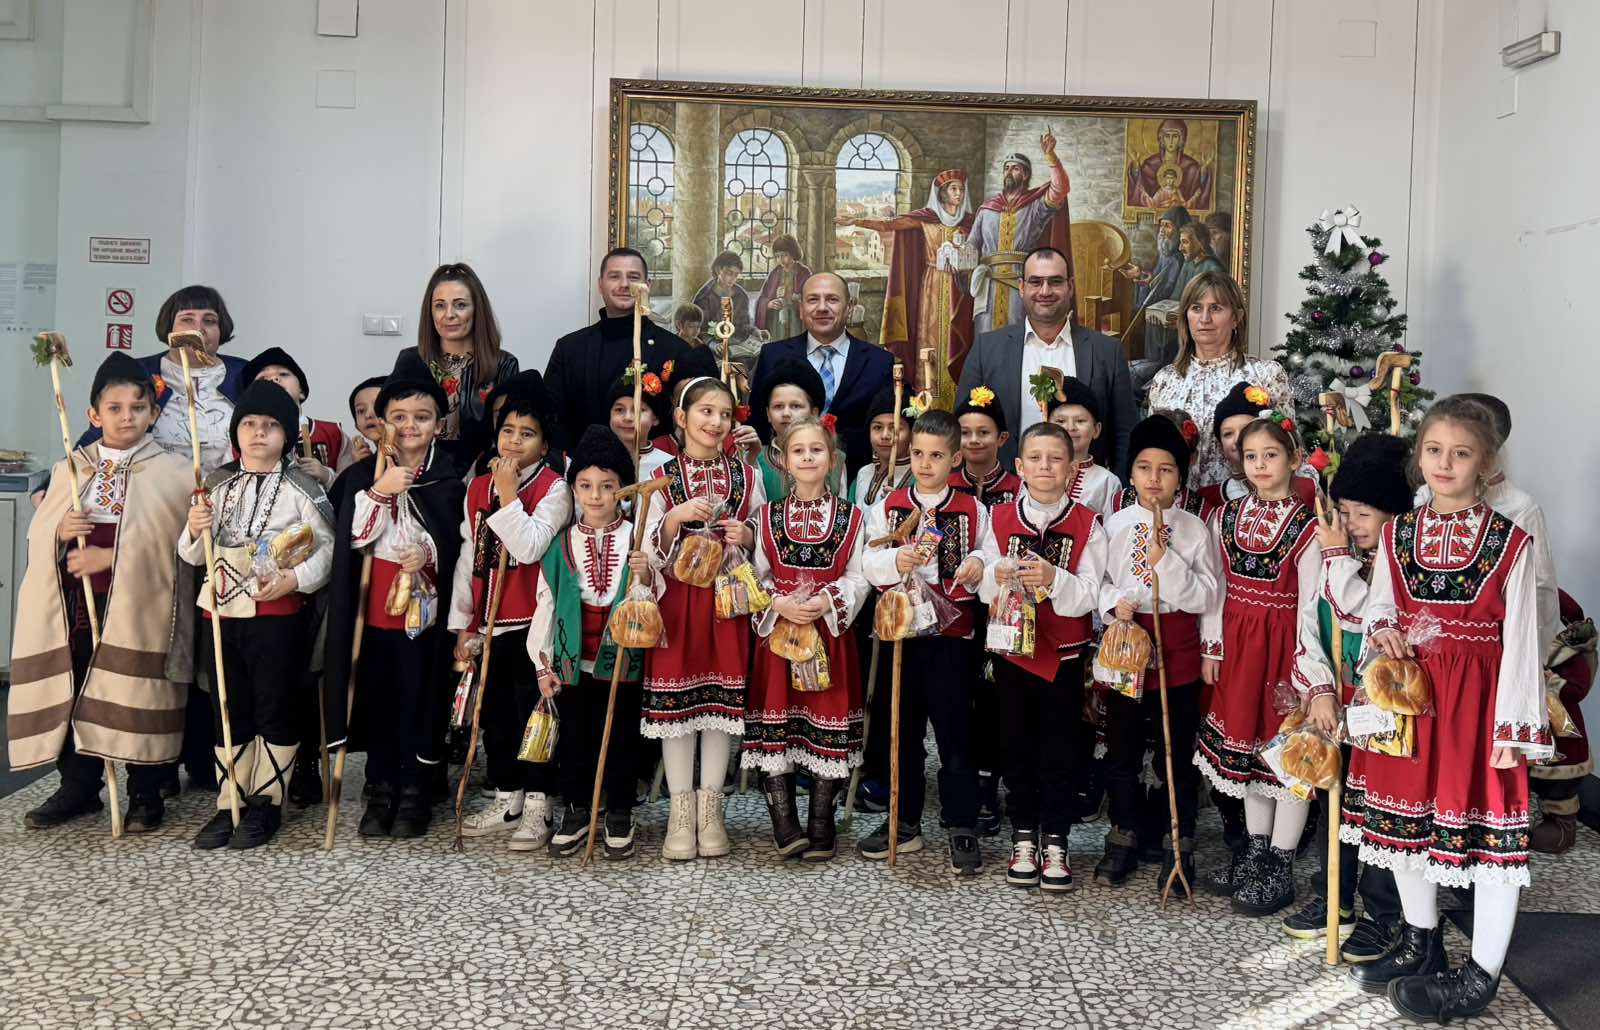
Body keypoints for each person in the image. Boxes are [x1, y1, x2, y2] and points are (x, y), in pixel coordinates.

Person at [1343, 398, 1548, 1023]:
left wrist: (1514, 727)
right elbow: (1381, 605)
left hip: (1479, 707)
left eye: (1461, 453)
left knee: (1490, 839)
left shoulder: (1511, 542)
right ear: (1419, 457)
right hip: (1411, 701)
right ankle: (1421, 940)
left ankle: (1481, 974)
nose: (1445, 463)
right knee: (1405, 827)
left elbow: (1523, 638)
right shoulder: (1399, 533)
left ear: (1485, 463)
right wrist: (1383, 629)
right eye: (1434, 450)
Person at [10, 354, 194, 832]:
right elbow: (40, 534)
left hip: (140, 603)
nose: (126, 417)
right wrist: (59, 531)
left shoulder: (175, 472)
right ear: (94, 414)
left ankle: (145, 791)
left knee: (135, 687)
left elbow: (177, 546)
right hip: (78, 601)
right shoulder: (72, 467)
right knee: (75, 686)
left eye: (138, 407)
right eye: (114, 408)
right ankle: (78, 786)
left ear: (154, 413)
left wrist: (112, 557)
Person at [180, 380, 336, 850]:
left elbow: (327, 548)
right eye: (249, 423)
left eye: (271, 425)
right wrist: (195, 528)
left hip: (276, 613)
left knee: (274, 704)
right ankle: (231, 800)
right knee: (227, 706)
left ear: (287, 435)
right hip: (221, 614)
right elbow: (191, 556)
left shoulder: (302, 488)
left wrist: (295, 578)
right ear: (236, 432)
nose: (259, 433)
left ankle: (267, 800)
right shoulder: (215, 485)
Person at [1279, 433, 1410, 960]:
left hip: (1381, 707)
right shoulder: (1328, 554)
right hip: (1335, 700)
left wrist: (1337, 556)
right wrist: (1318, 691)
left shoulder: (1398, 563)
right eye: (1346, 511)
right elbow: (1310, 625)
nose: (1351, 523)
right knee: (1332, 795)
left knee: (1376, 808)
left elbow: (1360, 612)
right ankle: (1335, 896)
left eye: (1363, 513)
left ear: (1392, 516)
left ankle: (1384, 911)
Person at [1194, 412, 1331, 915]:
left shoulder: (1308, 526)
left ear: (1294, 459)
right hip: (1239, 648)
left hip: (1283, 651)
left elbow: (1312, 602)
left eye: (1270, 455)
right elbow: (1215, 585)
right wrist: (1213, 646)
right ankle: (1254, 851)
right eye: (1250, 456)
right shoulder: (1226, 517)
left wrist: (1307, 673)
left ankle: (1280, 861)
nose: (1259, 465)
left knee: (1286, 758)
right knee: (1248, 756)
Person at [322, 377, 466, 838]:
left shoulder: (448, 480)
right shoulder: (363, 476)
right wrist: (381, 491)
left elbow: (456, 542)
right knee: (379, 695)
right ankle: (381, 787)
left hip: (425, 610)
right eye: (398, 418)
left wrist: (428, 552)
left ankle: (416, 788)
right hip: (374, 609)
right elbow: (356, 539)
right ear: (382, 423)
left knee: (419, 696)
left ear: (439, 424)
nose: (410, 427)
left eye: (422, 418)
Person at [860, 409, 994, 874]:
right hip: (902, 633)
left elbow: (990, 553)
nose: (924, 463)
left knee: (956, 731)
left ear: (955, 459)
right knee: (903, 728)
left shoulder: (973, 508)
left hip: (952, 637)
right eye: (917, 453)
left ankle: (961, 822)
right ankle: (905, 819)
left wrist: (979, 564)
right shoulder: (889, 505)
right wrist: (894, 561)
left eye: (936, 456)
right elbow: (868, 560)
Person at [640, 376, 766, 861]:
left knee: (720, 705)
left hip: (727, 602)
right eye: (705, 411)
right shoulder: (661, 475)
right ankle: (680, 812)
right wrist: (674, 518)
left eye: (725, 414)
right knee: (676, 708)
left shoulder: (747, 476)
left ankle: (712, 810)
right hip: (678, 602)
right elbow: (646, 548)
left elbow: (763, 531)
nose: (716, 422)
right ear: (681, 416)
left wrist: (746, 535)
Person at [978, 421, 1107, 892]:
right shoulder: (998, 518)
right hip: (1013, 654)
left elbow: (1091, 593)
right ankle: (1023, 835)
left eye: (1055, 459)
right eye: (1035, 458)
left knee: (1060, 749)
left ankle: (1056, 839)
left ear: (1072, 468)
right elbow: (982, 584)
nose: (1045, 467)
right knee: (1015, 746)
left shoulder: (1089, 523)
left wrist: (1054, 579)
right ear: (1019, 466)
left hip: (1064, 657)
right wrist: (996, 572)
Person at [1094, 415, 1220, 888]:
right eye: (1144, 468)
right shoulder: (1116, 524)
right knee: (1122, 745)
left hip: (1177, 644)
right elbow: (1100, 582)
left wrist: (1166, 563)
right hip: (1127, 644)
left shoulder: (1194, 529)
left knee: (1176, 748)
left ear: (1180, 478)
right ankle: (1124, 832)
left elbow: (1208, 594)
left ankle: (1176, 838)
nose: (1154, 479)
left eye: (1165, 470)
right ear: (1130, 474)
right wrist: (1114, 603)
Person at [740, 415, 869, 862]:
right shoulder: (766, 517)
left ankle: (820, 820)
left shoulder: (853, 518)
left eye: (817, 450)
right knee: (778, 721)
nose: (808, 457)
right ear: (783, 461)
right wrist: (778, 602)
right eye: (799, 451)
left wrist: (828, 600)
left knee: (827, 718)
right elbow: (756, 574)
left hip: (828, 636)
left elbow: (858, 576)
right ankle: (784, 820)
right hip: (779, 637)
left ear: (832, 460)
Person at [450, 385, 572, 849]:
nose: (515, 441)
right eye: (508, 431)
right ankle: (508, 798)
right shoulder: (476, 486)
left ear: (544, 443)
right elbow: (469, 558)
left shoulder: (554, 488)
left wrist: (507, 495)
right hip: (490, 619)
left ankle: (539, 804)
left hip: (533, 623)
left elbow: (530, 546)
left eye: (527, 433)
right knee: (496, 717)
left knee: (533, 717)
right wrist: (465, 622)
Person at [529, 427, 653, 860]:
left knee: (622, 737)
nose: (596, 496)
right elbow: (546, 605)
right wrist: (542, 664)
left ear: (624, 489)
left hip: (622, 660)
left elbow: (654, 603)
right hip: (572, 661)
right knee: (576, 738)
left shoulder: (638, 538)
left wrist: (646, 573)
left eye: (607, 486)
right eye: (585, 485)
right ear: (574, 488)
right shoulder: (561, 543)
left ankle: (619, 811)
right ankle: (577, 810)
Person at [956, 247, 1138, 474]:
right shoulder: (987, 349)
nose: (1045, 291)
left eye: (1055, 282)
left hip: (1085, 489)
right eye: (1035, 282)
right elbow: (961, 426)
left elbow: (1124, 433)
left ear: (1070, 287)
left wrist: (1117, 490)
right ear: (1022, 287)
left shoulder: (1107, 351)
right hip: (1006, 488)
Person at [1146, 271, 1294, 490]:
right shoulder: (1165, 380)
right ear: (1185, 316)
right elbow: (1152, 450)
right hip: (1178, 504)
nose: (1205, 318)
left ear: (1236, 317)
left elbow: (1289, 450)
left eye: (1215, 308)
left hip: (1244, 502)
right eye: (1196, 308)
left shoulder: (1266, 374)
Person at [80, 286, 248, 476]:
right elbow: (99, 438)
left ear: (221, 329)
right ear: (169, 328)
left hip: (231, 489)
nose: (198, 329)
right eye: (187, 320)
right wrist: (62, 478)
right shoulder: (136, 371)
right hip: (151, 488)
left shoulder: (246, 373)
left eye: (209, 321)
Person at [545, 248, 695, 455]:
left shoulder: (676, 350)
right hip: (583, 468)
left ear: (647, 285)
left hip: (654, 468)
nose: (624, 284)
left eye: (633, 277)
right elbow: (551, 418)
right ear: (600, 285)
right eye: (614, 276)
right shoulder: (570, 348)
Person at [849, 169, 976, 408]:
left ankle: (957, 399)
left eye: (961, 189)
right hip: (932, 285)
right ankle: (929, 400)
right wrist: (857, 221)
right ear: (942, 193)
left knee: (960, 337)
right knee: (930, 339)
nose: (958, 193)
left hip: (961, 289)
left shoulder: (970, 222)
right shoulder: (926, 218)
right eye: (953, 189)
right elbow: (889, 225)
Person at [748, 271, 894, 476]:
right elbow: (758, 421)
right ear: (801, 309)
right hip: (783, 477)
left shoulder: (880, 362)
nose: (822, 308)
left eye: (832, 299)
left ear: (849, 308)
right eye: (813, 300)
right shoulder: (773, 356)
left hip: (856, 478)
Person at [390, 263, 520, 465]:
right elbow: (391, 423)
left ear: (477, 310)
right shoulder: (410, 359)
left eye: (460, 305)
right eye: (440, 305)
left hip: (481, 469)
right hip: (419, 469)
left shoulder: (504, 363)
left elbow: (511, 430)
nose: (449, 314)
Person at [968, 133, 1075, 335]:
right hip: (988, 286)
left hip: (1020, 283)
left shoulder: (1034, 206)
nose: (1009, 172)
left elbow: (1060, 189)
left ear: (1025, 175)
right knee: (985, 336)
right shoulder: (987, 209)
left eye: (1015, 168)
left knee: (1019, 334)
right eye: (1006, 168)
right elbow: (972, 245)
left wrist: (1051, 156)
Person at [241, 347, 343, 488]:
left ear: (301, 390)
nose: (274, 379)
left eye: (283, 374)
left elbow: (353, 486)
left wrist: (327, 475)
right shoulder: (243, 437)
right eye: (263, 378)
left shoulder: (333, 433)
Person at [747, 357, 845, 500]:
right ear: (768, 414)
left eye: (796, 406)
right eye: (778, 406)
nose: (786, 413)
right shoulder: (756, 457)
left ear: (814, 413)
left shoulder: (835, 458)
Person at [1119, 206, 1190, 368]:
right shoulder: (1165, 254)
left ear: (1179, 230)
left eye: (1168, 226)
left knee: (1162, 362)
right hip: (1155, 315)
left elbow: (1168, 290)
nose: (1162, 231)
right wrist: (1142, 276)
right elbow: (1157, 279)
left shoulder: (1178, 259)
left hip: (1168, 319)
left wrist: (1148, 283)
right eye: (1161, 225)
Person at [1046, 376, 1121, 515]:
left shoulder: (1107, 481)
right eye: (1060, 421)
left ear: (1096, 430)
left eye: (1080, 421)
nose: (1070, 428)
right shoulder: (1035, 473)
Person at [950, 384, 1019, 508]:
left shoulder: (1019, 490)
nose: (974, 440)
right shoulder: (945, 487)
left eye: (983, 432)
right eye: (965, 433)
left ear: (1002, 438)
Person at [605, 361, 674, 483]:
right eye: (619, 410)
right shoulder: (594, 462)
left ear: (655, 418)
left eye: (638, 410)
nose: (628, 417)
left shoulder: (669, 466)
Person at [850, 385, 914, 508]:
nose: (885, 436)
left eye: (894, 428)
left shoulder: (919, 479)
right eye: (877, 427)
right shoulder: (862, 475)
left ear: (912, 433)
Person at [754, 235, 812, 344]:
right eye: (777, 256)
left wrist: (798, 298)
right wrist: (769, 304)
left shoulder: (804, 273)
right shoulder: (774, 273)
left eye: (785, 255)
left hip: (797, 320)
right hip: (777, 321)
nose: (781, 260)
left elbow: (812, 297)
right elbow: (763, 298)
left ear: (793, 253)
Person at [340, 375, 387, 469]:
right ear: (357, 426)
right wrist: (360, 466)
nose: (368, 415)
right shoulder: (363, 462)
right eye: (361, 411)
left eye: (377, 406)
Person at [1174, 222, 1225, 299]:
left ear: (1200, 242)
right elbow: (1176, 295)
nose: (1180, 248)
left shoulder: (1214, 268)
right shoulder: (1187, 264)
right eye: (1180, 242)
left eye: (1185, 242)